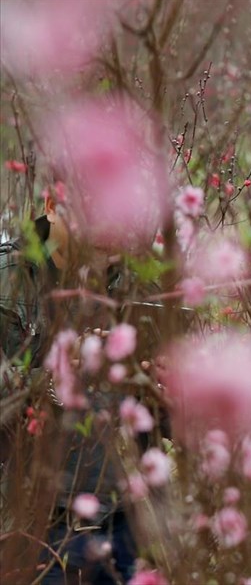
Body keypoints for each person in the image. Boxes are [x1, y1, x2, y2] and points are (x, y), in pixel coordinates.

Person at [1, 189, 141, 583]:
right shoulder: (10, 276)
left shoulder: (131, 279)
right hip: (37, 520)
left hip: (119, 515)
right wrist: (47, 379)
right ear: (50, 206)